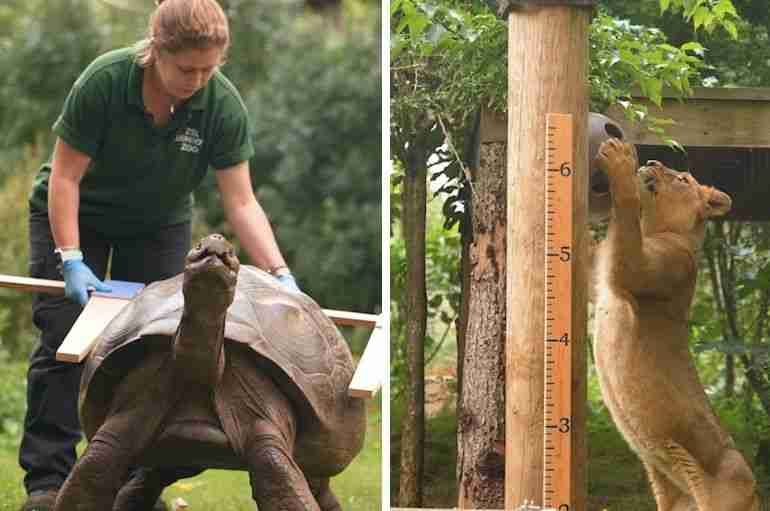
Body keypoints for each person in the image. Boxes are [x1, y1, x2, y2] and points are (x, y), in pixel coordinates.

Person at [19, 1, 299, 509]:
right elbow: (65, 177)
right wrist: (71, 257)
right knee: (63, 335)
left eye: (208, 69)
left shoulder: (221, 105)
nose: (196, 79)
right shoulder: (103, 82)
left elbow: (240, 201)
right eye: (186, 68)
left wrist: (280, 273)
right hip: (77, 211)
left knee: (156, 348)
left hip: (158, 222)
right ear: (156, 52)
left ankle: (131, 481)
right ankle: (47, 481)